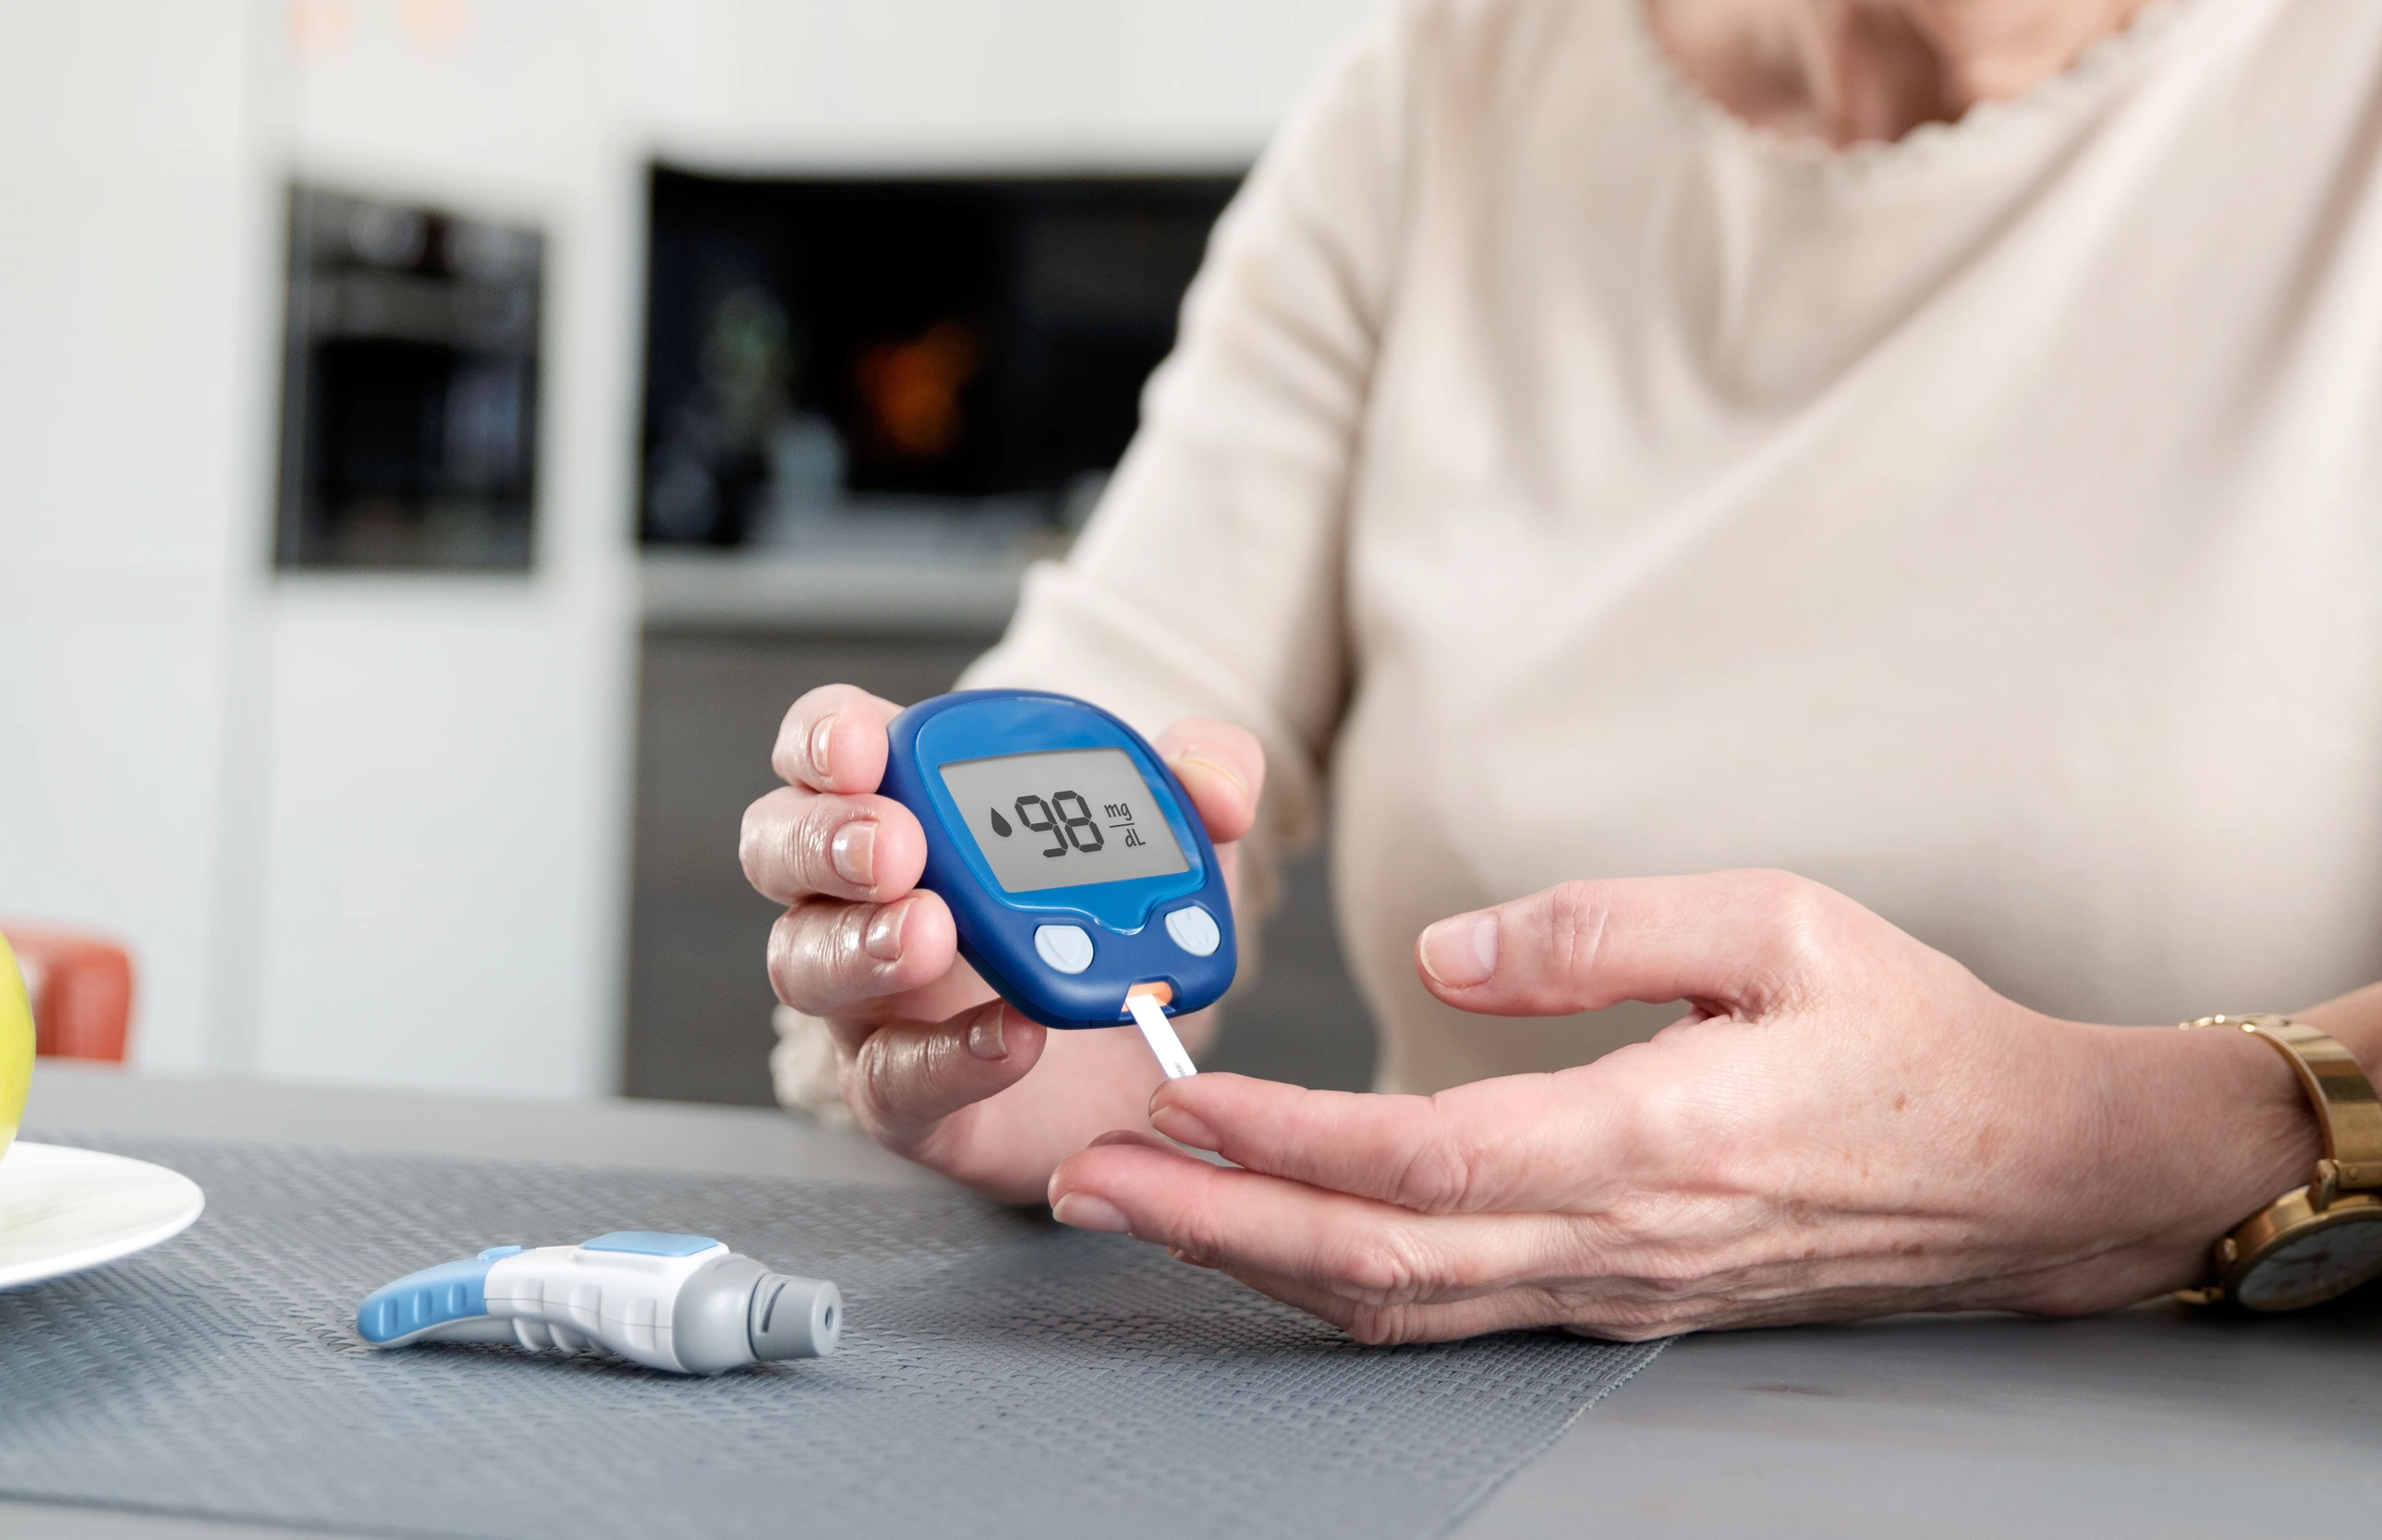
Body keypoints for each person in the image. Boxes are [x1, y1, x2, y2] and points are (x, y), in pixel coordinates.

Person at [741, 0, 2382, 1341]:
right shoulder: (1443, 91)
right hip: (1459, 1439)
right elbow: (1131, 703)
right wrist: (956, 997)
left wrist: (2106, 1151)